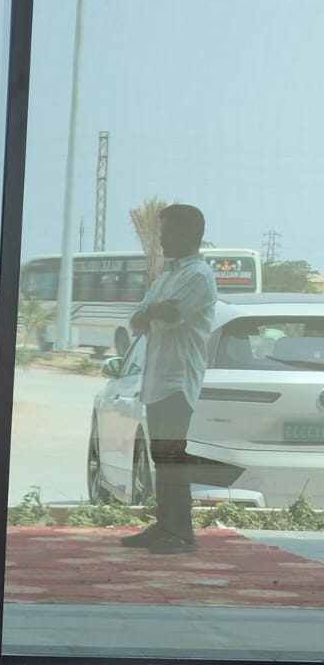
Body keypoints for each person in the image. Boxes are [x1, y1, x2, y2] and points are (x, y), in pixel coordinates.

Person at [119, 204, 216, 554]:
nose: (162, 240)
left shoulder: (198, 276)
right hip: (157, 380)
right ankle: (165, 526)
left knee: (173, 455)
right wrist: (151, 313)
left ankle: (181, 533)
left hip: (178, 380)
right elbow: (137, 319)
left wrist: (153, 313)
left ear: (190, 234)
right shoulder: (166, 277)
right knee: (162, 455)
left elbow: (170, 314)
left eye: (168, 232)